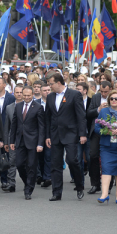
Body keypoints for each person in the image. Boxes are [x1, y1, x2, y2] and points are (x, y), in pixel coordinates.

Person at [45, 72, 87, 201]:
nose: (50, 86)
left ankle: (79, 186)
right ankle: (56, 192)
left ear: (58, 83)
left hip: (70, 133)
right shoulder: (51, 97)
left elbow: (81, 116)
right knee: (55, 164)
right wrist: (47, 136)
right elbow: (48, 117)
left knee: (72, 161)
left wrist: (82, 134)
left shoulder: (74, 95)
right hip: (55, 134)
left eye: (51, 84)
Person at [9, 86, 45, 200]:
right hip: (20, 141)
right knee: (19, 164)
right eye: (24, 95)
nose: (26, 97)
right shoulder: (18, 106)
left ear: (33, 94)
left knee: (31, 166)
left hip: (33, 142)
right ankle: (28, 182)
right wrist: (11, 141)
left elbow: (41, 127)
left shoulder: (38, 107)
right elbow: (14, 124)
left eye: (29, 95)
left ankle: (29, 189)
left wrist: (40, 144)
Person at [85, 81, 112, 194]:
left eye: (106, 92)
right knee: (93, 156)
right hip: (96, 131)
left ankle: (109, 184)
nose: (104, 94)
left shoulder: (115, 97)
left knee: (108, 158)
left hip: (110, 132)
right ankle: (95, 184)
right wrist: (98, 109)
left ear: (110, 89)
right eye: (102, 91)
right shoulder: (96, 97)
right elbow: (88, 113)